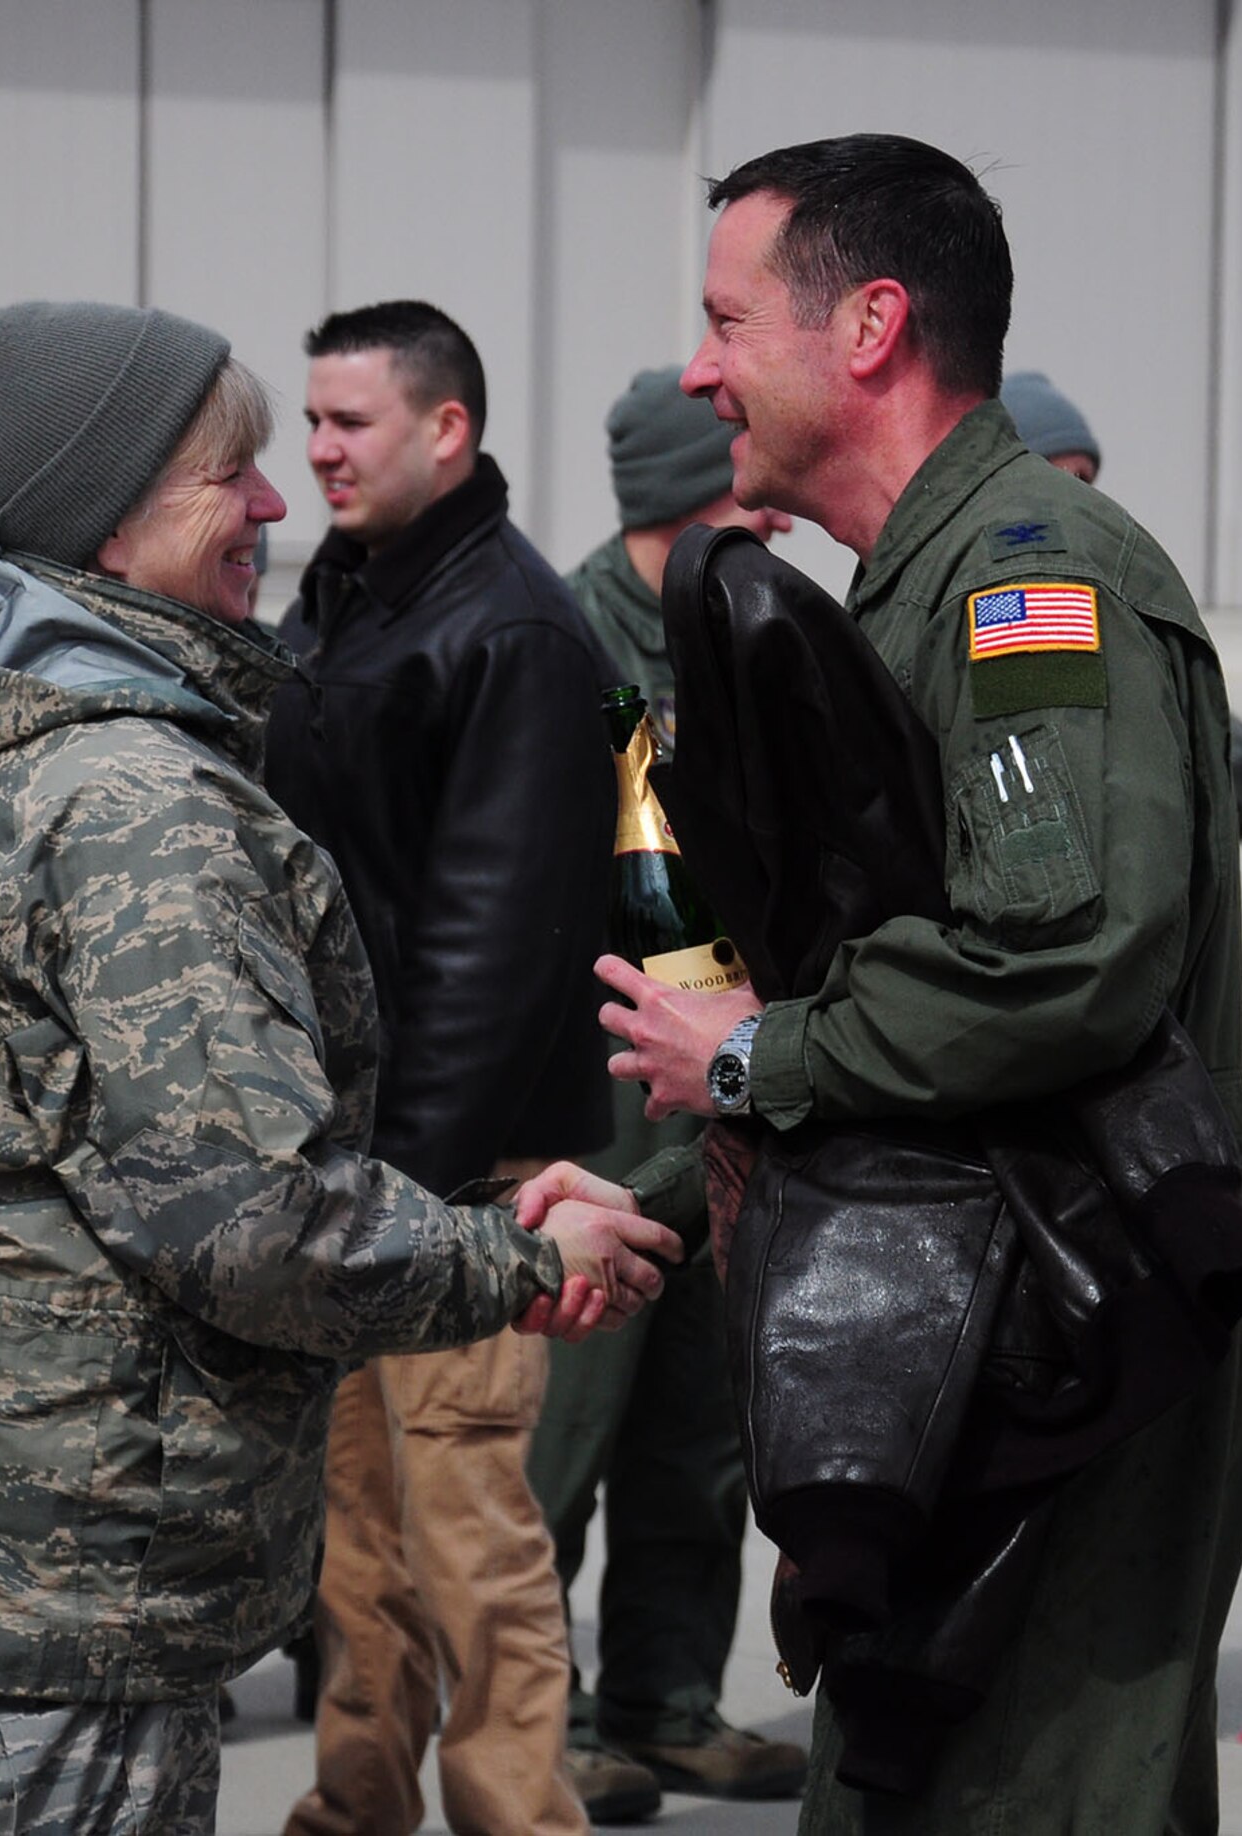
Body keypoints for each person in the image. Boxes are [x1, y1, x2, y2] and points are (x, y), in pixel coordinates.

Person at [0, 292, 674, 1836]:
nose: (275, 501)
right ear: (106, 528)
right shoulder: (135, 803)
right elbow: (245, 1223)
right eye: (227, 475)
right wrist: (513, 1252)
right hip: (37, 1591)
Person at [534, 131, 1242, 1833]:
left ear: (868, 328)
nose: (701, 368)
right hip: (973, 1322)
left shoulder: (1032, 582)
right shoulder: (916, 584)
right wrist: (695, 1148)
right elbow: (904, 967)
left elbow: (1058, 963)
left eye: (728, 320)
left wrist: (752, 1063)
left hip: (1086, 1343)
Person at [266, 301, 612, 1836]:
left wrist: (411, 1202)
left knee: (472, 1540)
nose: (318, 450)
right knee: (357, 1549)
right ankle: (355, 1807)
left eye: (351, 422)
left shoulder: (512, 630)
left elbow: (494, 939)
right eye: (314, 419)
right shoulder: (350, 596)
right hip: (350, 1168)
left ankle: (518, 1817)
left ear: (447, 430)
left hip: (452, 1180)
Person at [527, 367, 807, 1815]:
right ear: (688, 493)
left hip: (732, 1087)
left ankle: (668, 1698)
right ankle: (542, 1721)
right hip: (609, 1090)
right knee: (568, 1424)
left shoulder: (743, 623)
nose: (777, 502)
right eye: (747, 481)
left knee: (703, 1422)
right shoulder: (570, 644)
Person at [999, 369, 1242, 834]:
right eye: (1054, 473)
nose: (1072, 496)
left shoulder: (1115, 588)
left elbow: (1235, 755)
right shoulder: (970, 600)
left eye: (1084, 479)